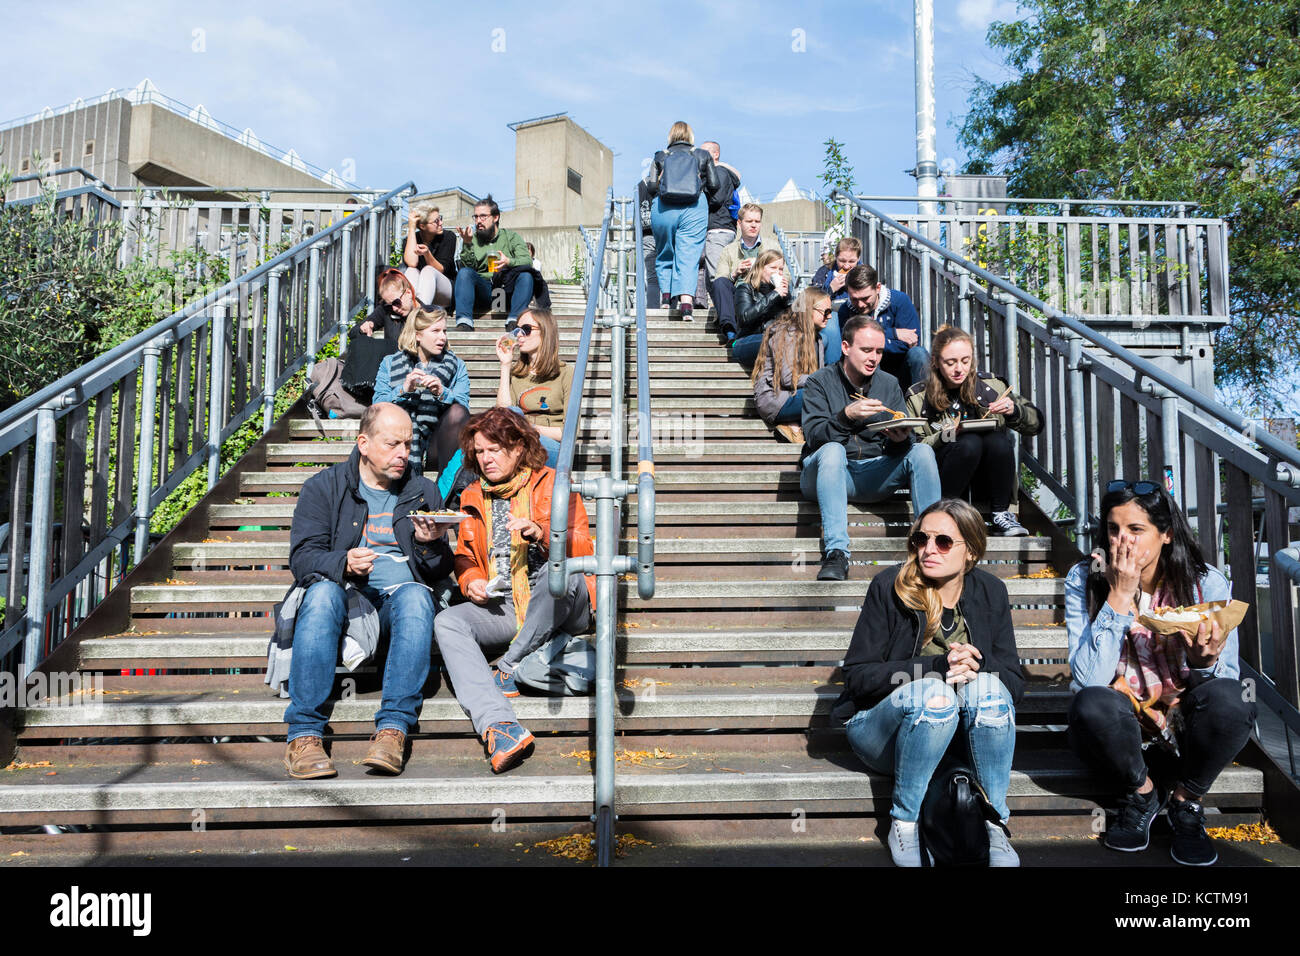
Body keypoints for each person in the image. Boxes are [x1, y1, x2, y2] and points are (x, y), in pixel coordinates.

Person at [1065, 480, 1255, 866]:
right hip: (1119, 731)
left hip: (1185, 728)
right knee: (1091, 703)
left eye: (1136, 530)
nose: (1123, 541)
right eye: (1114, 529)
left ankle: (1187, 801)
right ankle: (1142, 793)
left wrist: (1203, 664)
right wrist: (1119, 596)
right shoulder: (1084, 578)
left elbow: (1224, 683)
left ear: (1166, 534)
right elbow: (1087, 681)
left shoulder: (1205, 583)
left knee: (1235, 700)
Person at [832, 498, 1024, 867]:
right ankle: (904, 821)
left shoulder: (991, 592)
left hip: (960, 739)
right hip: (882, 732)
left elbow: (1014, 684)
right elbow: (858, 677)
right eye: (921, 539)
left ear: (971, 551)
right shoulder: (889, 586)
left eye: (943, 541)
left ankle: (994, 821)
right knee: (936, 695)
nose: (928, 549)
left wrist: (978, 666)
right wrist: (936, 666)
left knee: (988, 691)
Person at [279, 403, 454, 779]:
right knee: (322, 594)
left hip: (396, 609)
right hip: (345, 600)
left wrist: (429, 545)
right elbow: (303, 558)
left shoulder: (423, 491)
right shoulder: (324, 487)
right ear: (363, 443)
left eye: (408, 445)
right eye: (392, 445)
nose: (403, 455)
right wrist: (343, 562)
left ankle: (392, 729)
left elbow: (439, 571)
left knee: (416, 595)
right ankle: (304, 735)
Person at [433, 408, 596, 773]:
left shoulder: (555, 483)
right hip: (506, 603)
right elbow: (464, 556)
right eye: (479, 452)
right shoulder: (473, 494)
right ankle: (500, 726)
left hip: (560, 599)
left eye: (495, 449)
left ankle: (506, 666)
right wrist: (470, 579)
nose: (485, 459)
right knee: (447, 621)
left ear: (520, 447)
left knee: (561, 575)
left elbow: (584, 548)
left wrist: (541, 536)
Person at [799, 314, 941, 581]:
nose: (873, 358)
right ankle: (836, 553)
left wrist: (901, 440)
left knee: (922, 451)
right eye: (866, 350)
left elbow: (901, 433)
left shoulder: (888, 383)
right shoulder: (820, 381)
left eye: (878, 351)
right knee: (832, 450)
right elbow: (814, 437)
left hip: (872, 473)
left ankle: (930, 546)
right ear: (845, 347)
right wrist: (846, 416)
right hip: (825, 473)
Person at [905, 325, 1042, 537]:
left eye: (965, 361)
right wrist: (946, 435)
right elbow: (915, 449)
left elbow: (1035, 424)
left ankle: (1001, 514)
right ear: (935, 362)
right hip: (946, 476)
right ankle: (947, 512)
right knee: (970, 443)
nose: (959, 369)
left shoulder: (991, 386)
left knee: (997, 440)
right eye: (950, 363)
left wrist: (1013, 411)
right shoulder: (918, 397)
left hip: (987, 477)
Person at [372, 308, 470, 499]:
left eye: (444, 331)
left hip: (439, 440)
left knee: (457, 412)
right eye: (435, 331)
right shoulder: (390, 363)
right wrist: (404, 389)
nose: (442, 337)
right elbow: (376, 406)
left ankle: (443, 491)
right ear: (417, 335)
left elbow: (464, 406)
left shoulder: (456, 364)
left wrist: (442, 393)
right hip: (403, 437)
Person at [646, 121, 720, 320]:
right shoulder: (702, 155)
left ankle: (666, 297)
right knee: (688, 255)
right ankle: (686, 304)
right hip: (694, 207)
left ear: (670, 136)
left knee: (664, 252)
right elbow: (715, 184)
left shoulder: (660, 156)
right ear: (690, 136)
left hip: (663, 208)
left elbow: (651, 187)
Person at [825, 264, 928, 389]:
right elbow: (851, 349)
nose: (860, 304)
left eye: (865, 298)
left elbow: (911, 343)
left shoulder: (900, 301)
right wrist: (894, 334)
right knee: (868, 356)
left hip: (901, 366)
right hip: (866, 370)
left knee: (919, 354)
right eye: (854, 299)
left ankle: (923, 402)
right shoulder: (845, 310)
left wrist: (868, 344)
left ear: (878, 288)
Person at [752, 287, 833, 445]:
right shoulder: (787, 333)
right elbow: (788, 378)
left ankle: (795, 428)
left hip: (794, 396)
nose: (829, 316)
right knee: (830, 393)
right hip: (775, 400)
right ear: (809, 310)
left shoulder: (818, 339)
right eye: (826, 311)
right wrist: (826, 379)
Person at [495, 306, 571, 468]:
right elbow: (502, 414)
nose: (519, 335)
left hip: (552, 447)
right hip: (515, 441)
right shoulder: (516, 374)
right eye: (517, 330)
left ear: (544, 332)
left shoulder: (566, 373)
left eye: (526, 329)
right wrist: (505, 364)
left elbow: (569, 431)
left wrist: (529, 428)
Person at [453, 195, 535, 331]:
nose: (478, 221)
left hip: (506, 290)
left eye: (483, 216)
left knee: (526, 275)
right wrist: (467, 244)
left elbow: (527, 261)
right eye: (476, 217)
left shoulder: (511, 237)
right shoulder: (471, 238)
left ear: (495, 217)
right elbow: (467, 270)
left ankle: (515, 320)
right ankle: (464, 322)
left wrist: (509, 261)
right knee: (464, 273)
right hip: (483, 291)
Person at [342, 269, 419, 403]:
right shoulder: (387, 310)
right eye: (389, 305)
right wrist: (364, 327)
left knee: (387, 345)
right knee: (360, 342)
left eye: (396, 302)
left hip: (411, 365)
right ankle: (363, 387)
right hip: (389, 367)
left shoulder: (424, 314)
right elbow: (353, 333)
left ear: (408, 293)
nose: (394, 308)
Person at [712, 203, 774, 344]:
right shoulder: (729, 250)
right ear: (739, 223)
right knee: (720, 282)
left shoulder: (772, 246)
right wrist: (735, 273)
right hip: (736, 298)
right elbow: (719, 279)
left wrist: (762, 270)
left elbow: (785, 277)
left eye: (757, 221)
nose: (753, 225)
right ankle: (730, 332)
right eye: (749, 221)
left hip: (762, 294)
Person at [695, 140, 742, 305]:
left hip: (719, 228)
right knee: (711, 275)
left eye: (705, 152)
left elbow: (716, 199)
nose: (700, 156)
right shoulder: (720, 172)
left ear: (716, 154)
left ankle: (725, 312)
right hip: (720, 228)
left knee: (717, 274)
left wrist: (699, 196)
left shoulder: (719, 172)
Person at [729, 250, 793, 366]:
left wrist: (788, 298)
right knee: (776, 340)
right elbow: (745, 317)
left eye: (781, 269)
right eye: (773, 268)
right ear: (760, 268)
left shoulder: (783, 293)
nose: (778, 273)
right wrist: (774, 295)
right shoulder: (745, 289)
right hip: (747, 341)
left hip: (777, 340)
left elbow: (796, 320)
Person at [402, 202, 456, 307]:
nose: (441, 223)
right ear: (422, 226)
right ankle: (417, 312)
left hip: (445, 291)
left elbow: (441, 269)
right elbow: (412, 263)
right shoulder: (412, 239)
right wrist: (412, 228)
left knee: (428, 270)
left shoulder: (449, 237)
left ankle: (419, 314)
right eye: (436, 221)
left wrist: (427, 254)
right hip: (421, 292)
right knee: (411, 271)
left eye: (440, 218)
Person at [811, 236, 861, 306]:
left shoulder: (864, 274)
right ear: (836, 256)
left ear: (858, 258)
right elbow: (813, 301)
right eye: (842, 261)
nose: (846, 266)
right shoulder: (824, 272)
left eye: (852, 261)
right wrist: (831, 289)